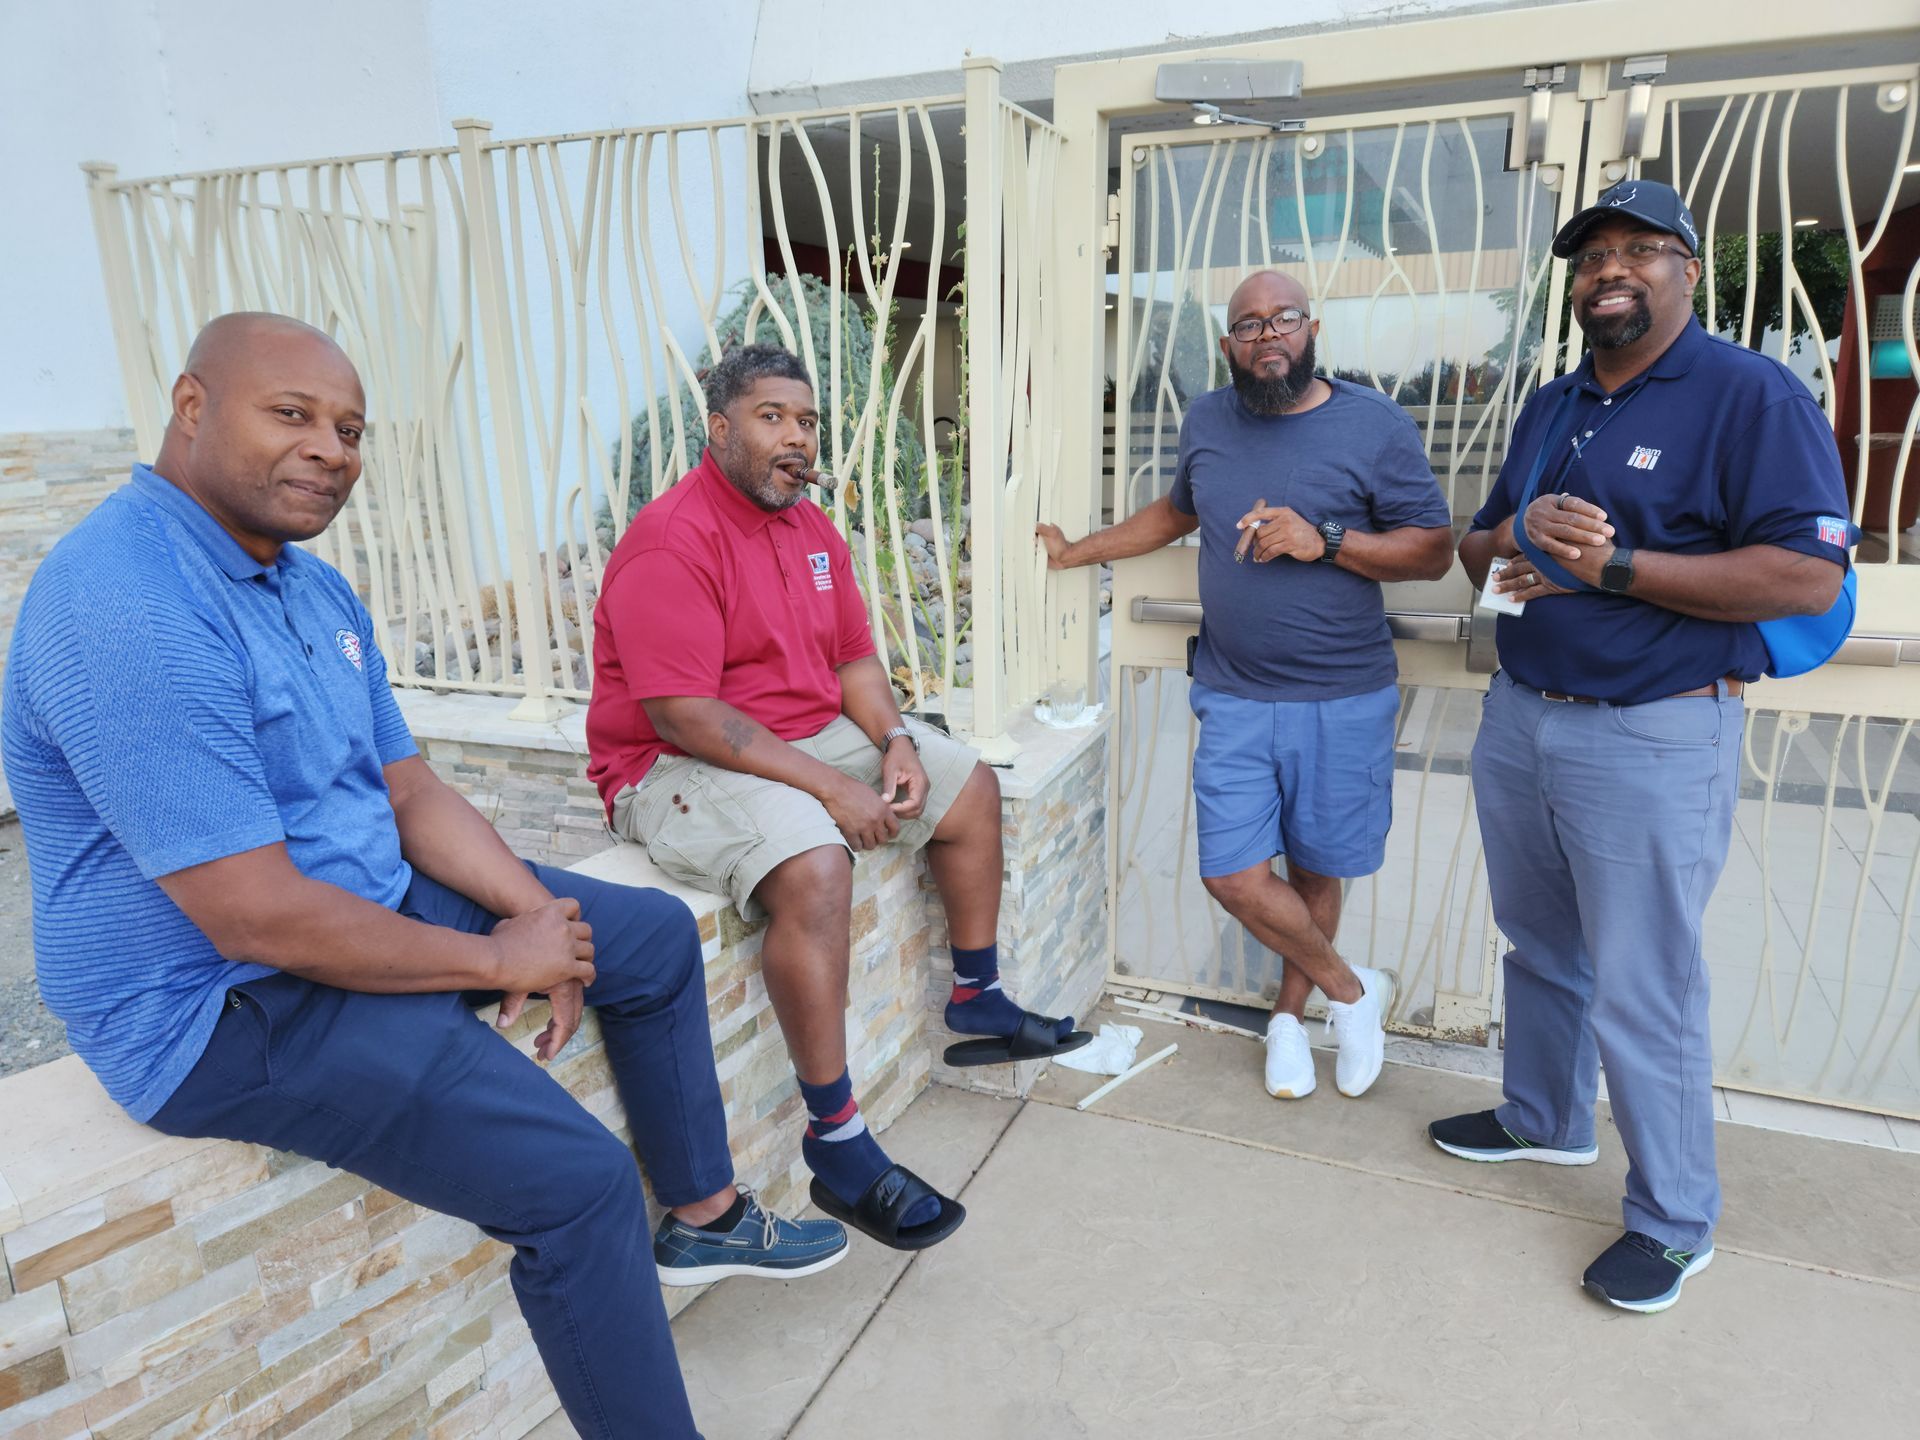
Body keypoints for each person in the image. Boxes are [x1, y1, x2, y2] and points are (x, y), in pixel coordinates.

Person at [1, 314, 846, 1440]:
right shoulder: (129, 605)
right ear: (191, 407)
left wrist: (535, 913)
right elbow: (255, 916)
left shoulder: (306, 588)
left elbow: (406, 789)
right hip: (219, 1005)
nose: (331, 449)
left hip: (355, 905)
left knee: (638, 937)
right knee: (582, 1187)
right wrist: (499, 958)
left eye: (348, 428)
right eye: (291, 415)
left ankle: (703, 1214)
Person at [1428, 180, 1851, 1314]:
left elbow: (1807, 573)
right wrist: (1518, 535)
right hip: (1527, 717)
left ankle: (1672, 1223)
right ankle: (1545, 1119)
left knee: (1646, 983)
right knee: (1538, 944)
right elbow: (1485, 556)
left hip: (1655, 732)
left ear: (1688, 269)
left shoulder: (1747, 394)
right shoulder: (1558, 401)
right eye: (1590, 255)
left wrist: (1618, 568)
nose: (1610, 269)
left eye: (1639, 250)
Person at [587, 343, 1089, 1253]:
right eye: (771, 417)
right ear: (720, 428)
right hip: (669, 766)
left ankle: (977, 995)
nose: (795, 438)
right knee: (816, 866)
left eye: (806, 420)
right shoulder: (673, 538)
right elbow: (686, 715)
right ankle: (840, 1143)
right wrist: (827, 787)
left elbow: (854, 659)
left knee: (965, 782)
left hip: (795, 737)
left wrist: (895, 741)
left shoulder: (810, 529)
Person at [1038, 270, 1454, 1101]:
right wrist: (1078, 550)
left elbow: (1433, 550)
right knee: (1231, 874)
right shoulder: (1208, 419)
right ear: (1228, 344)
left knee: (1316, 868)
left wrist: (1324, 538)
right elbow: (1176, 512)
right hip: (1232, 691)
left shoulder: (1372, 424)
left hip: (1342, 694)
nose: (1267, 336)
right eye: (1248, 325)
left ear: (1313, 329)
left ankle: (1289, 1021)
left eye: (1283, 320)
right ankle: (1351, 992)